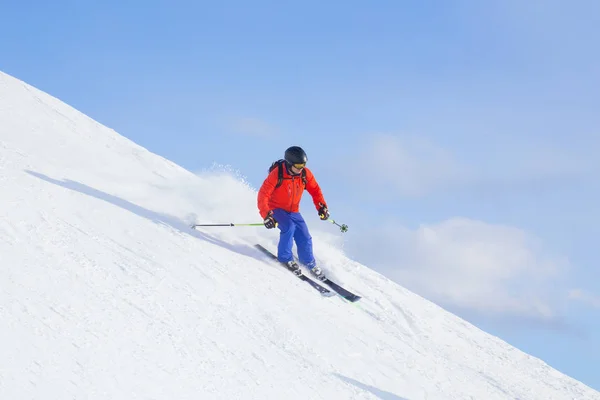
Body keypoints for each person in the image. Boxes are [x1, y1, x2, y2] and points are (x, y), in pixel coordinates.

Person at [257, 146, 330, 280]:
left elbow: (315, 190)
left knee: (305, 236)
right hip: (276, 208)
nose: (301, 168)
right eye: (298, 166)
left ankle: (309, 263)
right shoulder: (277, 174)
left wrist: (322, 207)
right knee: (289, 227)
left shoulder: (304, 174)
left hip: (294, 211)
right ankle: (285, 258)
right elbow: (263, 195)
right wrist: (266, 215)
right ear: (289, 164)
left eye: (303, 165)